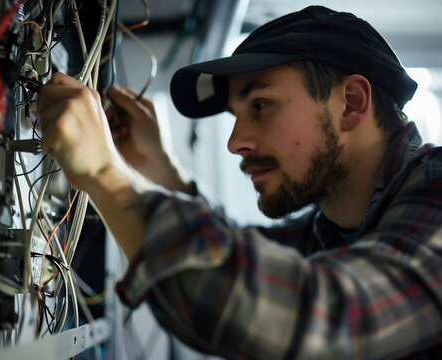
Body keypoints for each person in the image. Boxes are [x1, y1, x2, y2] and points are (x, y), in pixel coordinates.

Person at [37, 5, 442, 359]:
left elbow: (322, 324)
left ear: (351, 103)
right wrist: (161, 171)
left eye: (261, 105)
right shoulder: (335, 226)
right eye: (235, 116)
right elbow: (250, 258)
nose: (234, 143)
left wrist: (105, 173)